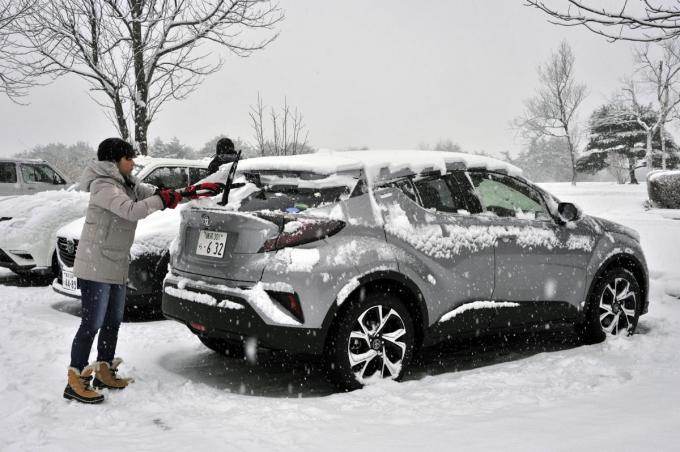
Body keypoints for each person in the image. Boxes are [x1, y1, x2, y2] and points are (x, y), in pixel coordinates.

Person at [64, 138, 182, 404]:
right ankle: (75, 380)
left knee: (112, 321)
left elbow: (147, 193)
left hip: (115, 263)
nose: (134, 163)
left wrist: (174, 193)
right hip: (95, 265)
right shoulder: (103, 185)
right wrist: (160, 202)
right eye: (129, 158)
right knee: (91, 323)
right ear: (114, 161)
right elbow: (131, 211)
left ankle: (104, 370)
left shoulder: (125, 183)